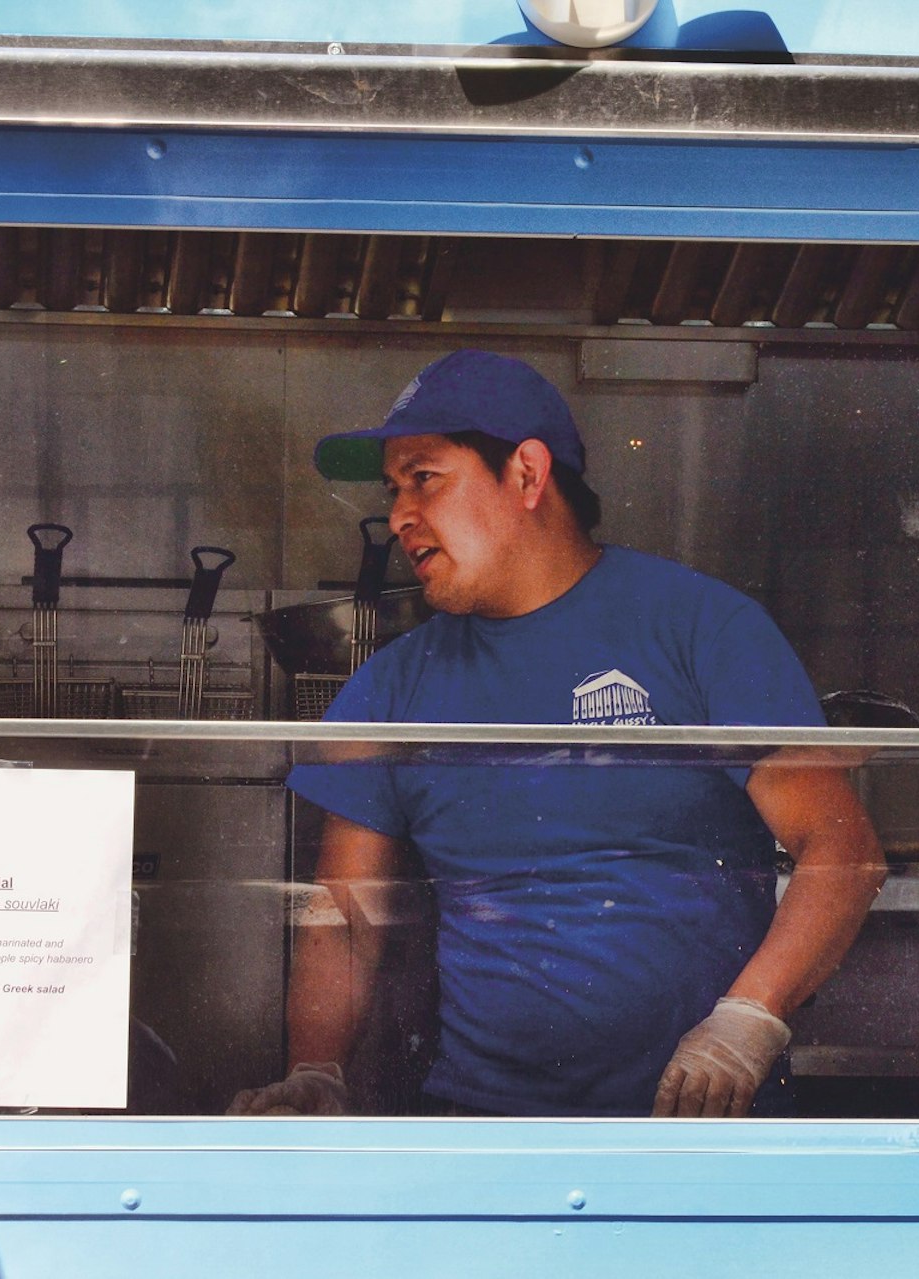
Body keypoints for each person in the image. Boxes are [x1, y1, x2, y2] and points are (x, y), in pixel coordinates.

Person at [229, 349, 884, 1119]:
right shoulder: (393, 686)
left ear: (528, 475)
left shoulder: (700, 628)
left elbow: (841, 848)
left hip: (705, 1127)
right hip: (487, 1133)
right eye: (393, 488)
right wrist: (316, 1070)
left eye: (425, 478)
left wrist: (747, 1022)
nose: (400, 514)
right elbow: (344, 915)